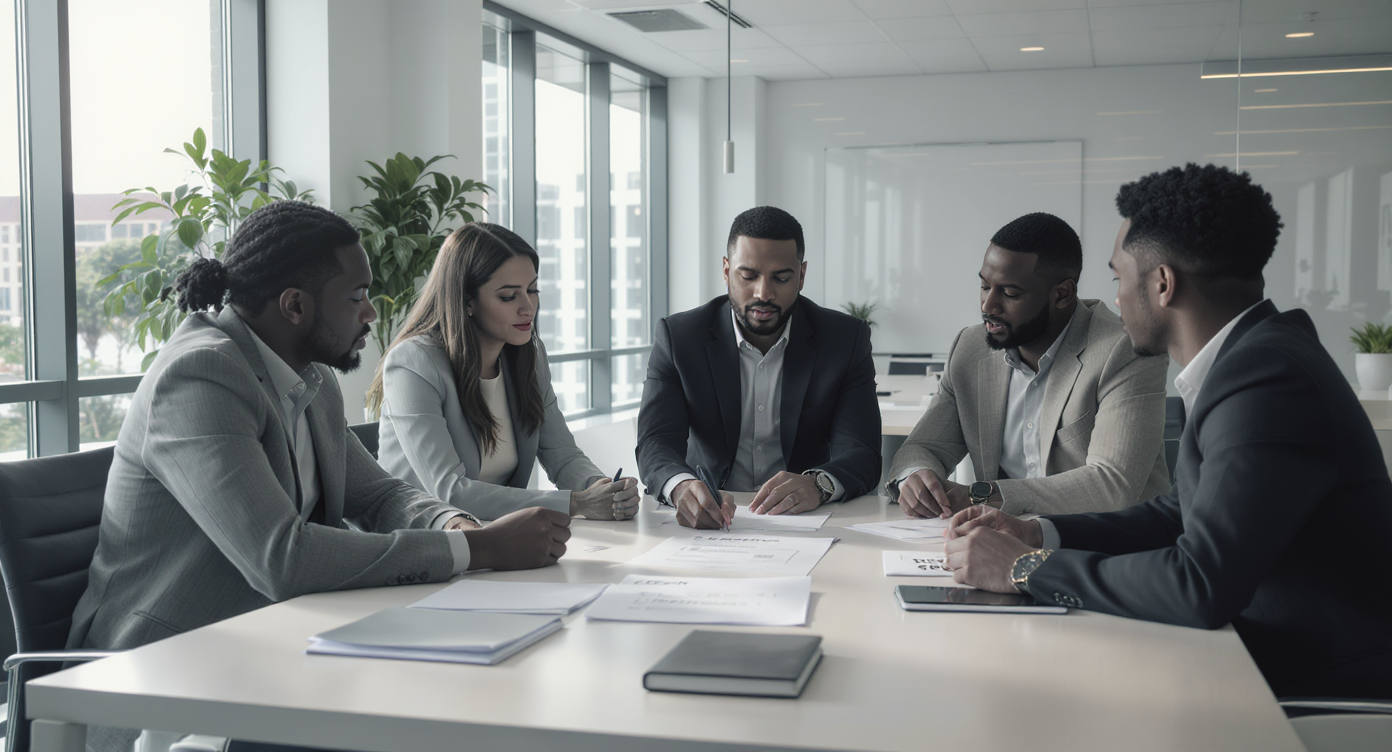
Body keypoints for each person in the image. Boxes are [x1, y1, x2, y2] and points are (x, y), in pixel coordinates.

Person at [942, 164, 1392, 700]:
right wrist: (1038, 533)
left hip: (1317, 686)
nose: (1114, 300)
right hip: (1262, 653)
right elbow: (1179, 513)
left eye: (1118, 278)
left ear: (1162, 284)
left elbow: (1199, 583)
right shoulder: (1254, 359)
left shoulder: (1266, 378)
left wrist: (1026, 569)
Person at [68, 201, 570, 671]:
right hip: (159, 665)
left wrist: (454, 524)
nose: (371, 313)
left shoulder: (311, 376)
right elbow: (281, 559)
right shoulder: (201, 376)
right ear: (295, 306)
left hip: (275, 640)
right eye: (356, 297)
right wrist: (480, 550)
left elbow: (379, 495)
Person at [887, 213, 1171, 518]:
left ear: (1062, 294)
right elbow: (923, 447)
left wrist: (981, 496)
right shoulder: (971, 349)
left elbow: (1112, 484)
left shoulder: (1125, 350)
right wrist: (915, 477)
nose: (988, 305)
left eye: (1010, 293)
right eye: (985, 286)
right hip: (998, 538)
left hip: (1105, 540)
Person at [370, 223, 639, 521]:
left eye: (532, 290)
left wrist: (601, 488)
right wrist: (576, 503)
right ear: (467, 301)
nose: (528, 308)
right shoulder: (413, 363)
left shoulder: (529, 356)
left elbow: (562, 455)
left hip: (501, 532)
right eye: (509, 296)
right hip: (424, 535)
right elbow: (449, 491)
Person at [637, 206, 881, 529]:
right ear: (726, 271)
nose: (763, 293)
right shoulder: (680, 338)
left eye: (781, 278)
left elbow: (862, 452)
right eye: (748, 276)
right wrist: (681, 486)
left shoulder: (844, 340)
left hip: (809, 520)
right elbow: (655, 442)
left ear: (802, 276)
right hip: (710, 520)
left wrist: (817, 484)